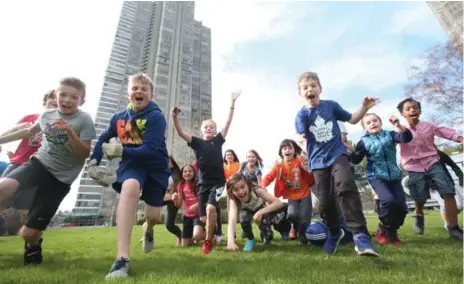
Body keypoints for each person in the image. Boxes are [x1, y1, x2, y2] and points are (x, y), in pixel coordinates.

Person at [0, 77, 95, 265]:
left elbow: (84, 153)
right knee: (4, 186)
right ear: (55, 95)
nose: (67, 100)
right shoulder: (46, 116)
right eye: (63, 95)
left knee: (28, 233)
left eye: (74, 97)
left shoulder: (84, 119)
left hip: (60, 179)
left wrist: (70, 132)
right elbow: (28, 132)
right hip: (39, 163)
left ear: (81, 101)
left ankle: (34, 245)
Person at [88, 73, 169, 279]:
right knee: (130, 186)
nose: (139, 91)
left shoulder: (156, 117)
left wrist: (120, 151)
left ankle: (148, 229)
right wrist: (94, 161)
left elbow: (150, 150)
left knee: (153, 216)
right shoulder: (118, 118)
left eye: (144, 89)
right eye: (135, 88)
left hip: (156, 168)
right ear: (128, 92)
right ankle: (122, 258)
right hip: (132, 165)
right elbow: (103, 139)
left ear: (152, 94)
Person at [294, 71, 378, 256]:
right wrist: (302, 141)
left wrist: (364, 107)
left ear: (320, 89)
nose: (310, 90)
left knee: (345, 186)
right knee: (325, 204)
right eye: (305, 88)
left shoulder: (330, 106)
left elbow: (353, 119)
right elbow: (300, 136)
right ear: (300, 93)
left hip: (337, 154)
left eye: (313, 86)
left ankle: (360, 235)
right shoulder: (302, 114)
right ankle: (334, 232)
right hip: (317, 162)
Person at [172, 92, 240, 254]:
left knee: (210, 209)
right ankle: (212, 231)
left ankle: (208, 242)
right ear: (201, 130)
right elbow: (181, 133)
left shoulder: (217, 140)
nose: (209, 129)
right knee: (203, 218)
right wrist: (174, 117)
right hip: (203, 185)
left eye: (212, 127)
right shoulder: (197, 143)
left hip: (217, 183)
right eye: (206, 127)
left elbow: (228, 123)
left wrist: (232, 103)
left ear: (215, 130)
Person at [397, 98, 463, 240]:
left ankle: (454, 228)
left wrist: (460, 138)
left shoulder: (428, 126)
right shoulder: (400, 130)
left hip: (433, 161)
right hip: (413, 166)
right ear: (403, 114)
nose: (412, 110)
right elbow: (396, 139)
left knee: (448, 190)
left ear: (420, 111)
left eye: (415, 107)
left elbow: (445, 132)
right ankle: (419, 213)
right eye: (408, 109)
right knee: (420, 196)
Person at [351, 113, 412, 246]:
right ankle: (384, 228)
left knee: (402, 207)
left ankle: (392, 232)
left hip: (394, 176)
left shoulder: (390, 135)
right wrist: (350, 151)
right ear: (365, 128)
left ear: (380, 122)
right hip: (376, 176)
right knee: (387, 200)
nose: (372, 124)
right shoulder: (363, 142)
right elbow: (356, 160)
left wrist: (398, 125)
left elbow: (406, 138)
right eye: (368, 123)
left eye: (375, 121)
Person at [0, 90, 57, 231]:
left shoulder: (62, 124)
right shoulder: (31, 118)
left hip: (39, 167)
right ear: (45, 102)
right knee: (2, 193)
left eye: (58, 98)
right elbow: (16, 131)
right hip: (19, 161)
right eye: (52, 97)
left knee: (27, 208)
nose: (55, 100)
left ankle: (31, 243)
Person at [261, 139, 314, 244]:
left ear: (294, 151)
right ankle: (294, 227)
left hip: (305, 194)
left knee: (304, 218)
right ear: (281, 152)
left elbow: (311, 179)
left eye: (290, 148)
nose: (287, 150)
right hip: (291, 196)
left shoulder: (300, 161)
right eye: (284, 148)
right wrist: (262, 185)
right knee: (291, 215)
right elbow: (270, 176)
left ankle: (302, 238)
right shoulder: (279, 165)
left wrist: (306, 168)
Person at [224, 173, 286, 252]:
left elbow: (279, 203)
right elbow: (232, 220)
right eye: (236, 189)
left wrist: (260, 212)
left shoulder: (257, 191)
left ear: (248, 185)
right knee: (243, 219)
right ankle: (250, 239)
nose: (241, 192)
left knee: (268, 235)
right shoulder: (233, 199)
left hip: (260, 209)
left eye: (243, 187)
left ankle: (267, 236)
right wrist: (230, 242)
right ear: (232, 191)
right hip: (247, 211)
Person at [175, 164, 206, 246]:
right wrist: (175, 199)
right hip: (187, 215)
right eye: (185, 171)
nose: (187, 173)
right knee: (185, 245)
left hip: (199, 214)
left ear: (194, 173)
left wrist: (196, 205)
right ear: (182, 174)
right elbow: (179, 205)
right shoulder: (180, 185)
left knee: (197, 236)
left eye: (190, 171)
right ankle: (194, 237)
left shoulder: (198, 184)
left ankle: (211, 232)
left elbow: (205, 199)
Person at [163, 156, 183, 246]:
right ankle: (147, 233)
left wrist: (171, 195)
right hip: (162, 197)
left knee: (169, 225)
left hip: (173, 199)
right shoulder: (160, 172)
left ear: (172, 163)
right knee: (151, 212)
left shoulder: (177, 173)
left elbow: (178, 188)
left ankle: (181, 236)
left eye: (168, 161)